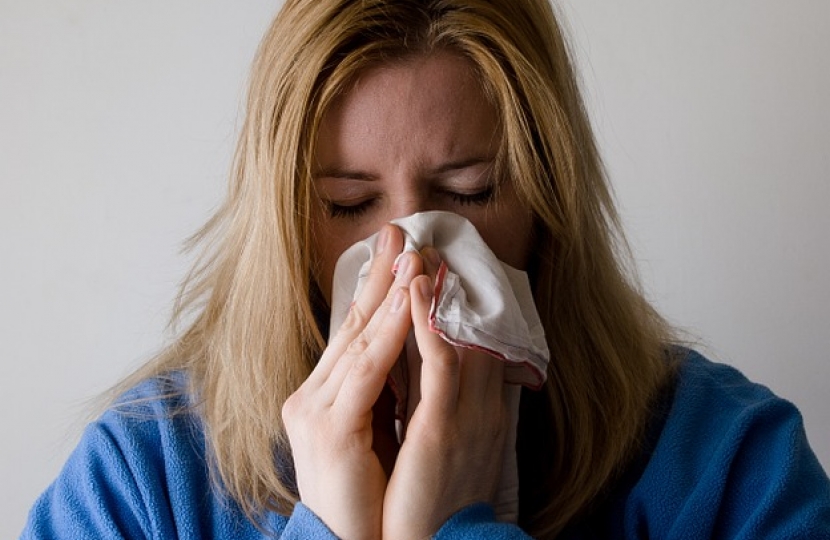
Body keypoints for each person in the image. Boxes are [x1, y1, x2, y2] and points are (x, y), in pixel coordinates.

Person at [21, 0, 830, 538]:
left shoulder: (731, 465)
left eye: (468, 194)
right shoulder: (143, 479)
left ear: (549, 201)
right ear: (284, 223)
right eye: (346, 204)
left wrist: (459, 525)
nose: (408, 262)